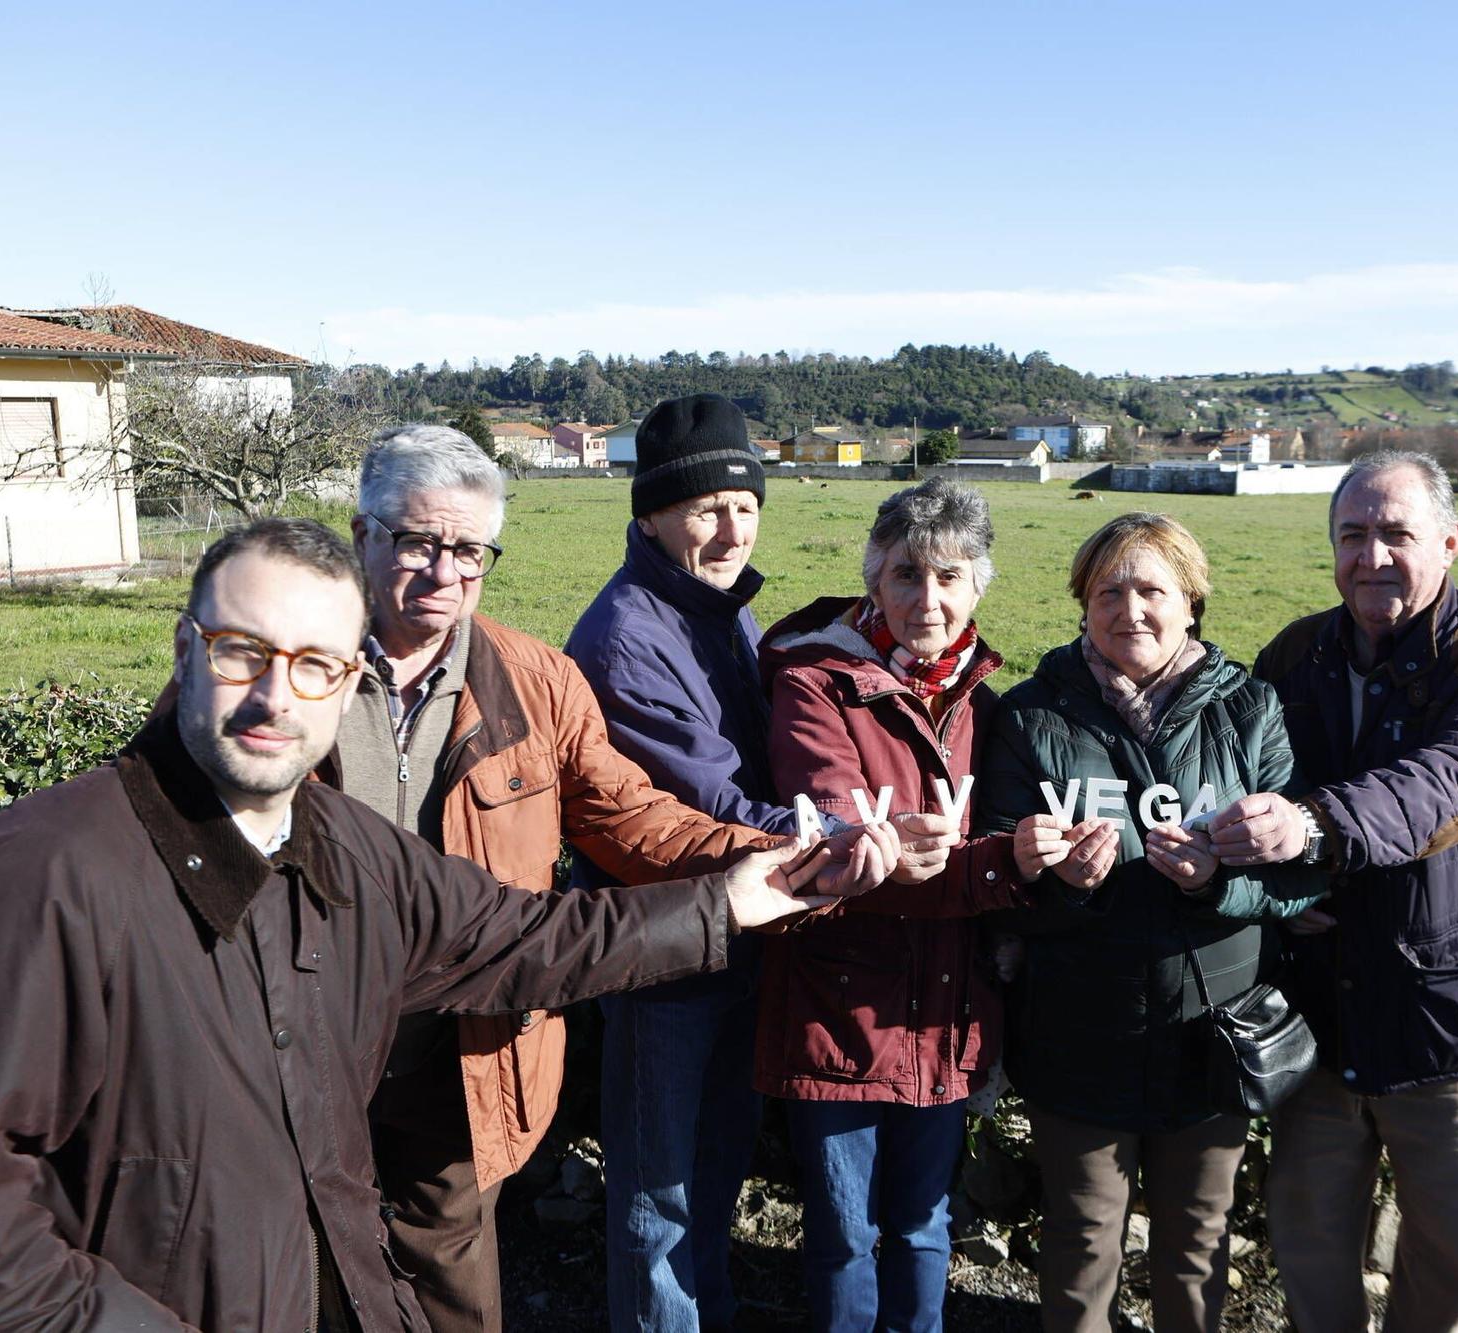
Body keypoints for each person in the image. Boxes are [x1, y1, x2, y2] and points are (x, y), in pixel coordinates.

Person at [0, 518, 892, 1331]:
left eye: (314, 666)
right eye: (241, 649)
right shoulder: (48, 875)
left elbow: (532, 940)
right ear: (185, 647)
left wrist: (743, 897)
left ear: (348, 683)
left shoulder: (342, 848)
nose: (271, 697)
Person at [336, 424, 890, 1333]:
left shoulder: (533, 679)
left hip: (463, 1046)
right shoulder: (281, 666)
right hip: (304, 1045)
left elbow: (635, 817)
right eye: (416, 542)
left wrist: (783, 865)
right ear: (363, 534)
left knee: (449, 1284)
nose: (444, 572)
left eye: (469, 549)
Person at [1232, 450, 1458, 1333]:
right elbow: (1241, 778)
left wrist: (1311, 828)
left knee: (1449, 1259)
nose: (1371, 555)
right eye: (1351, 535)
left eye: (1395, 534)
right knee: (1307, 1236)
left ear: (1451, 542)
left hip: (1453, 1011)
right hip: (1320, 1003)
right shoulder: (1296, 654)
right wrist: (1276, 886)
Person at [978, 512, 1326, 1333]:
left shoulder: (1249, 710)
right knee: (1080, 1240)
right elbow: (995, 879)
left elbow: (1300, 879)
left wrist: (1214, 885)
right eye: (1108, 591)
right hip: (1077, 1035)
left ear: (1191, 601)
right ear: (1081, 603)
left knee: (1198, 1242)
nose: (1128, 609)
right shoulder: (1033, 716)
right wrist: (1061, 883)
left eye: (1150, 590)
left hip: (1214, 1036)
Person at [752, 477, 1067, 1333]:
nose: (927, 599)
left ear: (980, 585)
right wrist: (998, 866)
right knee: (843, 1233)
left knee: (926, 1223)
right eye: (906, 576)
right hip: (838, 1007)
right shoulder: (817, 681)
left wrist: (1000, 862)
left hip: (945, 1009)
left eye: (950, 576)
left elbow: (973, 846)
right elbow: (841, 841)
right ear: (872, 578)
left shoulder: (991, 706)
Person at [566, 392, 853, 1332]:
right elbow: (714, 804)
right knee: (662, 1198)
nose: (733, 529)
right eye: (707, 508)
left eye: (748, 505)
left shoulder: (711, 610)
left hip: (733, 938)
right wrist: (848, 827)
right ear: (651, 512)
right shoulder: (628, 638)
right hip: (664, 961)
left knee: (714, 1173)